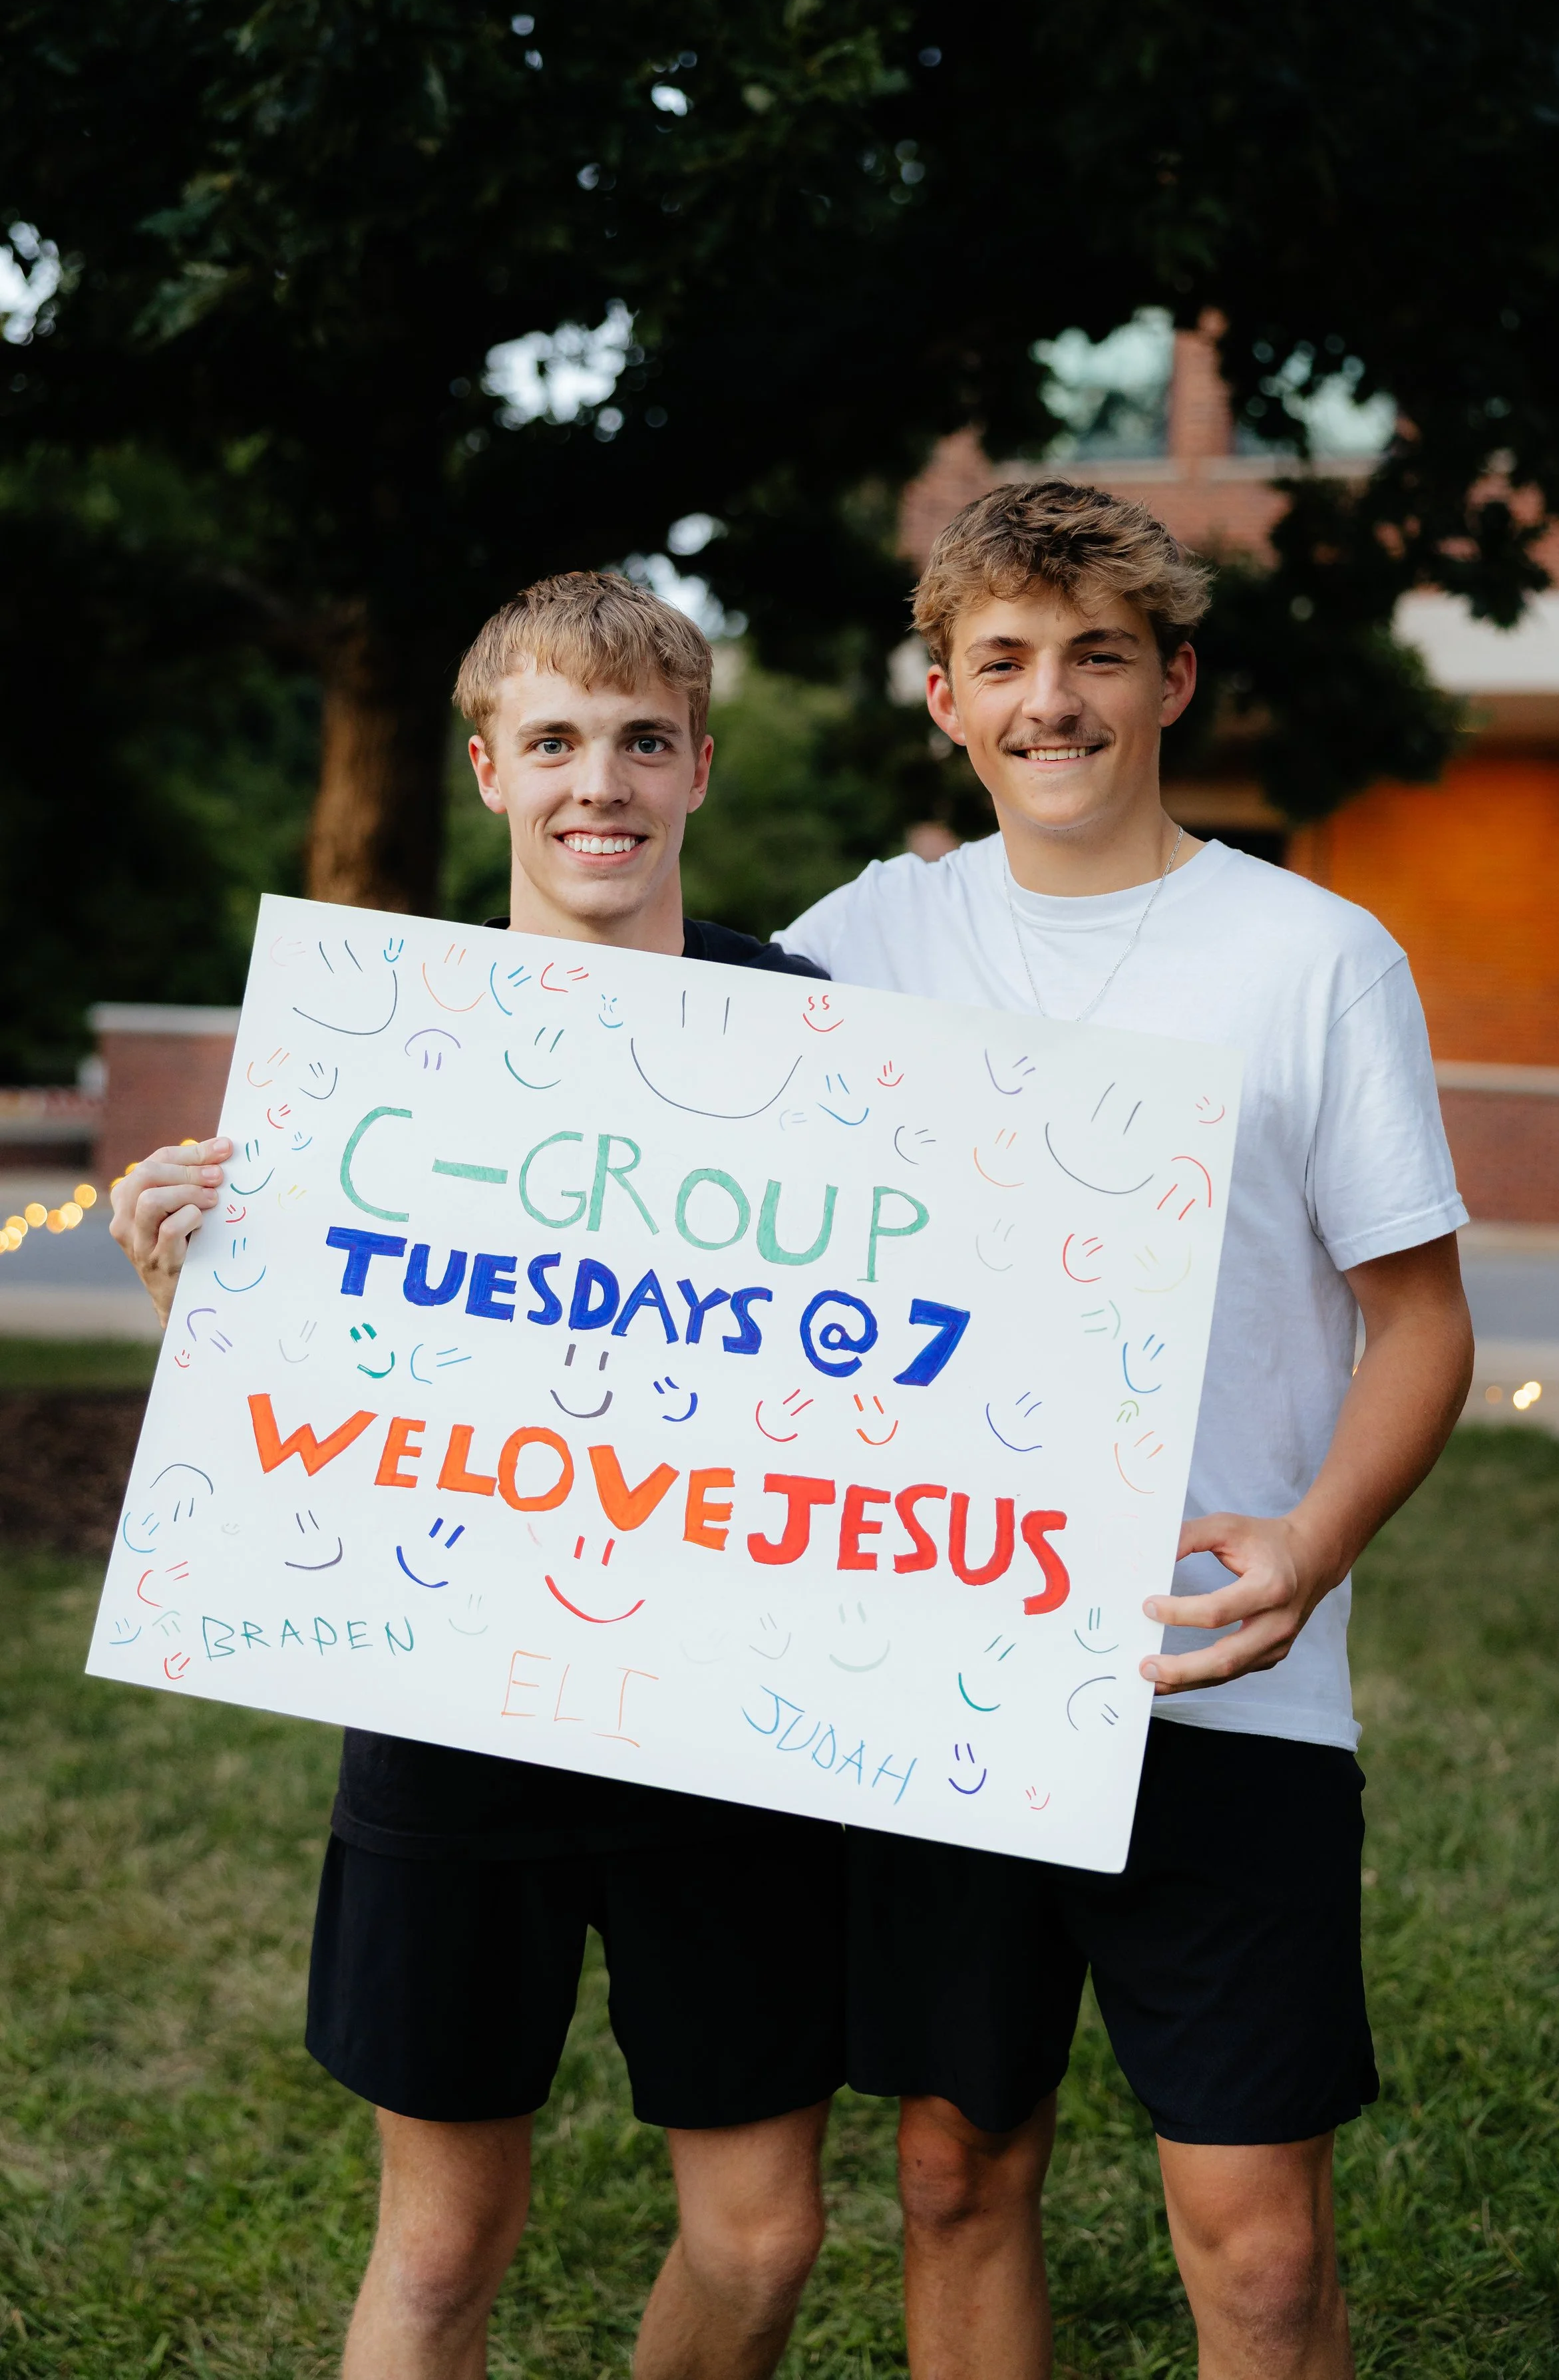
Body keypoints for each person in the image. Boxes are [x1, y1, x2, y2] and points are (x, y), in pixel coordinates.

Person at [775, 481, 1476, 2380]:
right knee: (950, 2165)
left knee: (1256, 2247)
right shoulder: (863, 938)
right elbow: (626, 1104)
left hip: (1220, 1673)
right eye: (999, 659)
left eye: (1095, 654)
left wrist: (1306, 1547)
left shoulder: (1312, 955)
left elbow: (1419, 1323)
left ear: (1173, 679)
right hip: (939, 1677)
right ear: (942, 699)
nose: (1048, 698)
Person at [110, 572, 844, 2380]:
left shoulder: (819, 1032)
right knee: (441, 2250)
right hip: (455, 1709)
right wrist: (181, 1296)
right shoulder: (388, 1036)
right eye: (555, 742)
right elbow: (320, 1383)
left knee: (758, 2239)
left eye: (641, 741)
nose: (600, 782)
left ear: (696, 769)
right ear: (489, 770)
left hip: (724, 1720)